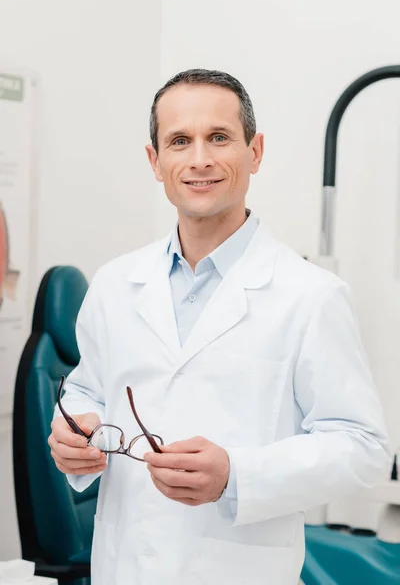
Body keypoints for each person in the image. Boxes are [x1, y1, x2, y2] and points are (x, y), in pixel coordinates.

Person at [48, 68, 390, 585]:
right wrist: (74, 434)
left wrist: (238, 475)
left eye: (219, 137)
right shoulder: (116, 283)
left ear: (255, 152)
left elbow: (362, 447)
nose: (199, 159)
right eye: (179, 141)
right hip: (123, 567)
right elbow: (87, 390)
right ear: (155, 161)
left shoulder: (311, 295)